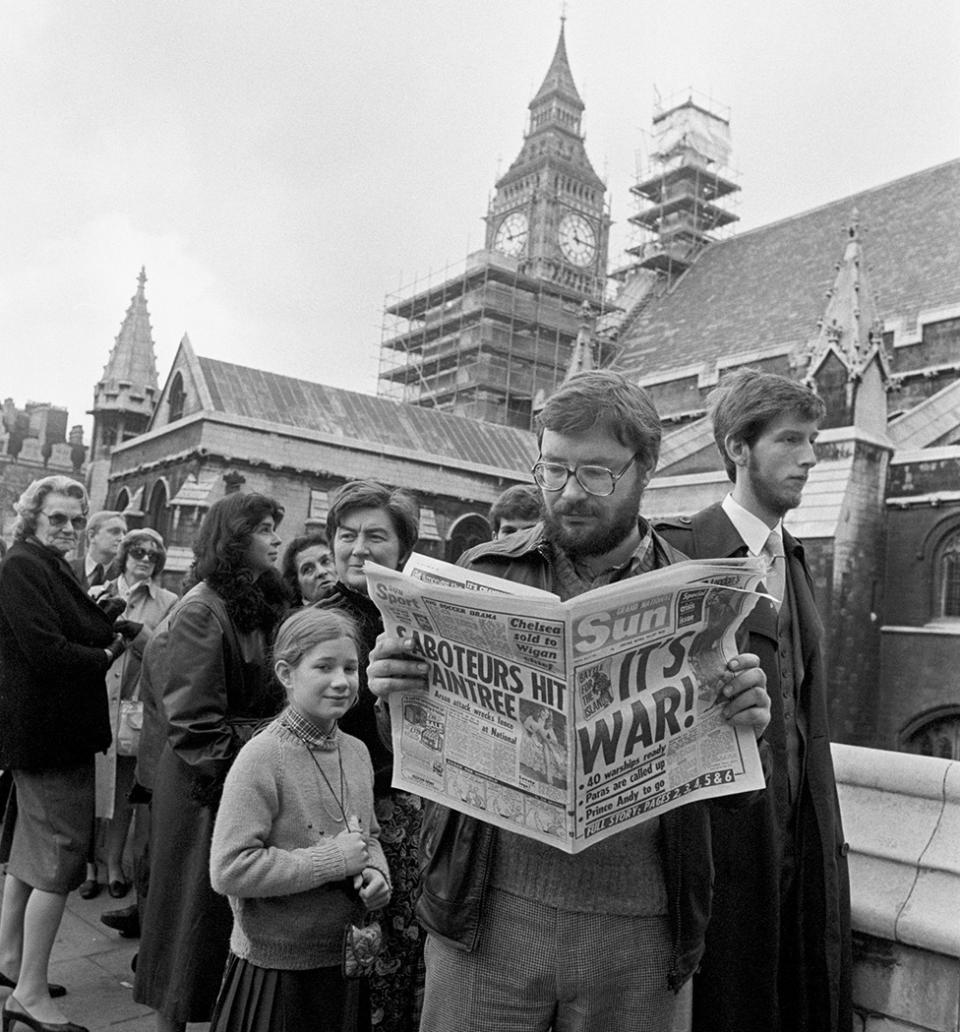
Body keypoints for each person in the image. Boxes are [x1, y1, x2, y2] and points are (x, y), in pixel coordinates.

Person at [367, 370, 771, 1032]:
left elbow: (737, 797)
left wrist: (746, 730)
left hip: (640, 932)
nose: (569, 493)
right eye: (553, 470)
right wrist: (394, 692)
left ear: (645, 470)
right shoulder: (487, 572)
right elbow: (416, 743)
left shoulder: (702, 593)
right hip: (486, 916)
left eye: (596, 474)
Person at [655, 368, 852, 1032]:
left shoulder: (791, 557)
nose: (810, 458)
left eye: (813, 441)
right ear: (739, 448)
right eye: (790, 440)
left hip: (796, 846)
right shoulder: (678, 551)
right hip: (716, 859)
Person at [133, 493, 288, 1032]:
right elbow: (195, 722)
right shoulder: (203, 608)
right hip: (208, 785)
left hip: (232, 772)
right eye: (265, 528)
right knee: (188, 919)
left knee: (212, 923)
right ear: (235, 539)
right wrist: (240, 783)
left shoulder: (246, 600)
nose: (276, 539)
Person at [208, 607, 392, 1032]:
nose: (342, 681)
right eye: (323, 667)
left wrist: (376, 873)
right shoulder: (262, 757)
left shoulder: (357, 752)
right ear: (287, 674)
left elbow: (369, 838)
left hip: (341, 963)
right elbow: (230, 868)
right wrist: (333, 861)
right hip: (278, 972)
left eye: (350, 667)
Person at [0, 476, 127, 1032]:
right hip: (51, 738)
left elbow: (80, 625)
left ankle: (8, 963)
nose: (71, 529)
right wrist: (103, 652)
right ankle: (29, 996)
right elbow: (48, 651)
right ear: (31, 517)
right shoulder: (24, 565)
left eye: (78, 520)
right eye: (59, 519)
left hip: (46, 735)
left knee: (31, 856)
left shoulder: (45, 565)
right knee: (58, 862)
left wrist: (99, 623)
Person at [317, 480, 423, 1032]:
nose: (359, 547)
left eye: (375, 536)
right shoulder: (319, 623)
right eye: (347, 534)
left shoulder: (418, 615)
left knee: (406, 962)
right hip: (351, 819)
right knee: (359, 968)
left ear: (402, 549)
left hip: (415, 817)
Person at [92, 530, 176, 926]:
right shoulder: (98, 589)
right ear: (124, 556)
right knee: (93, 784)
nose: (145, 559)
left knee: (125, 788)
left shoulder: (166, 601)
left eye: (152, 555)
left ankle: (113, 866)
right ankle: (90, 866)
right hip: (96, 698)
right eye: (138, 552)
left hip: (133, 706)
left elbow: (163, 653)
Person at [70, 510, 126, 592]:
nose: (122, 538)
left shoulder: (124, 576)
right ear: (91, 536)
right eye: (115, 532)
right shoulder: (66, 568)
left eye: (124, 533)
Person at [281, 531, 337, 605]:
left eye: (326, 562)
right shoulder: (301, 616)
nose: (321, 572)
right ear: (297, 586)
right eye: (308, 570)